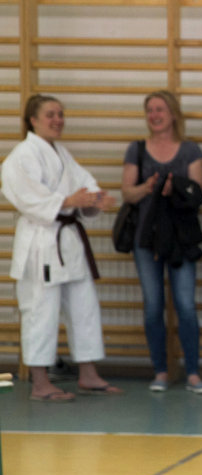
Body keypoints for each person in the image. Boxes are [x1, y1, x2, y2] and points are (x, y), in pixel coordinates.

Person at [1, 94, 121, 401]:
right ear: (33, 120)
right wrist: (69, 200)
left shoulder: (61, 153)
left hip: (68, 242)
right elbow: (28, 198)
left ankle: (88, 375)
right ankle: (41, 383)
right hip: (41, 242)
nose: (58, 120)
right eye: (51, 115)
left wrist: (95, 200)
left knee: (84, 306)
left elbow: (85, 185)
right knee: (40, 312)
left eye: (61, 114)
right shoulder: (22, 156)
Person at [121, 90, 202, 394]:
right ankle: (160, 371)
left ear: (172, 114)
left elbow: (197, 192)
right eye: (150, 110)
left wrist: (176, 189)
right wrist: (147, 188)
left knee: (186, 305)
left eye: (160, 109)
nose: (154, 115)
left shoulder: (190, 150)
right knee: (153, 306)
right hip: (146, 239)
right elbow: (127, 193)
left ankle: (193, 373)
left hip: (180, 239)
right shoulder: (136, 149)